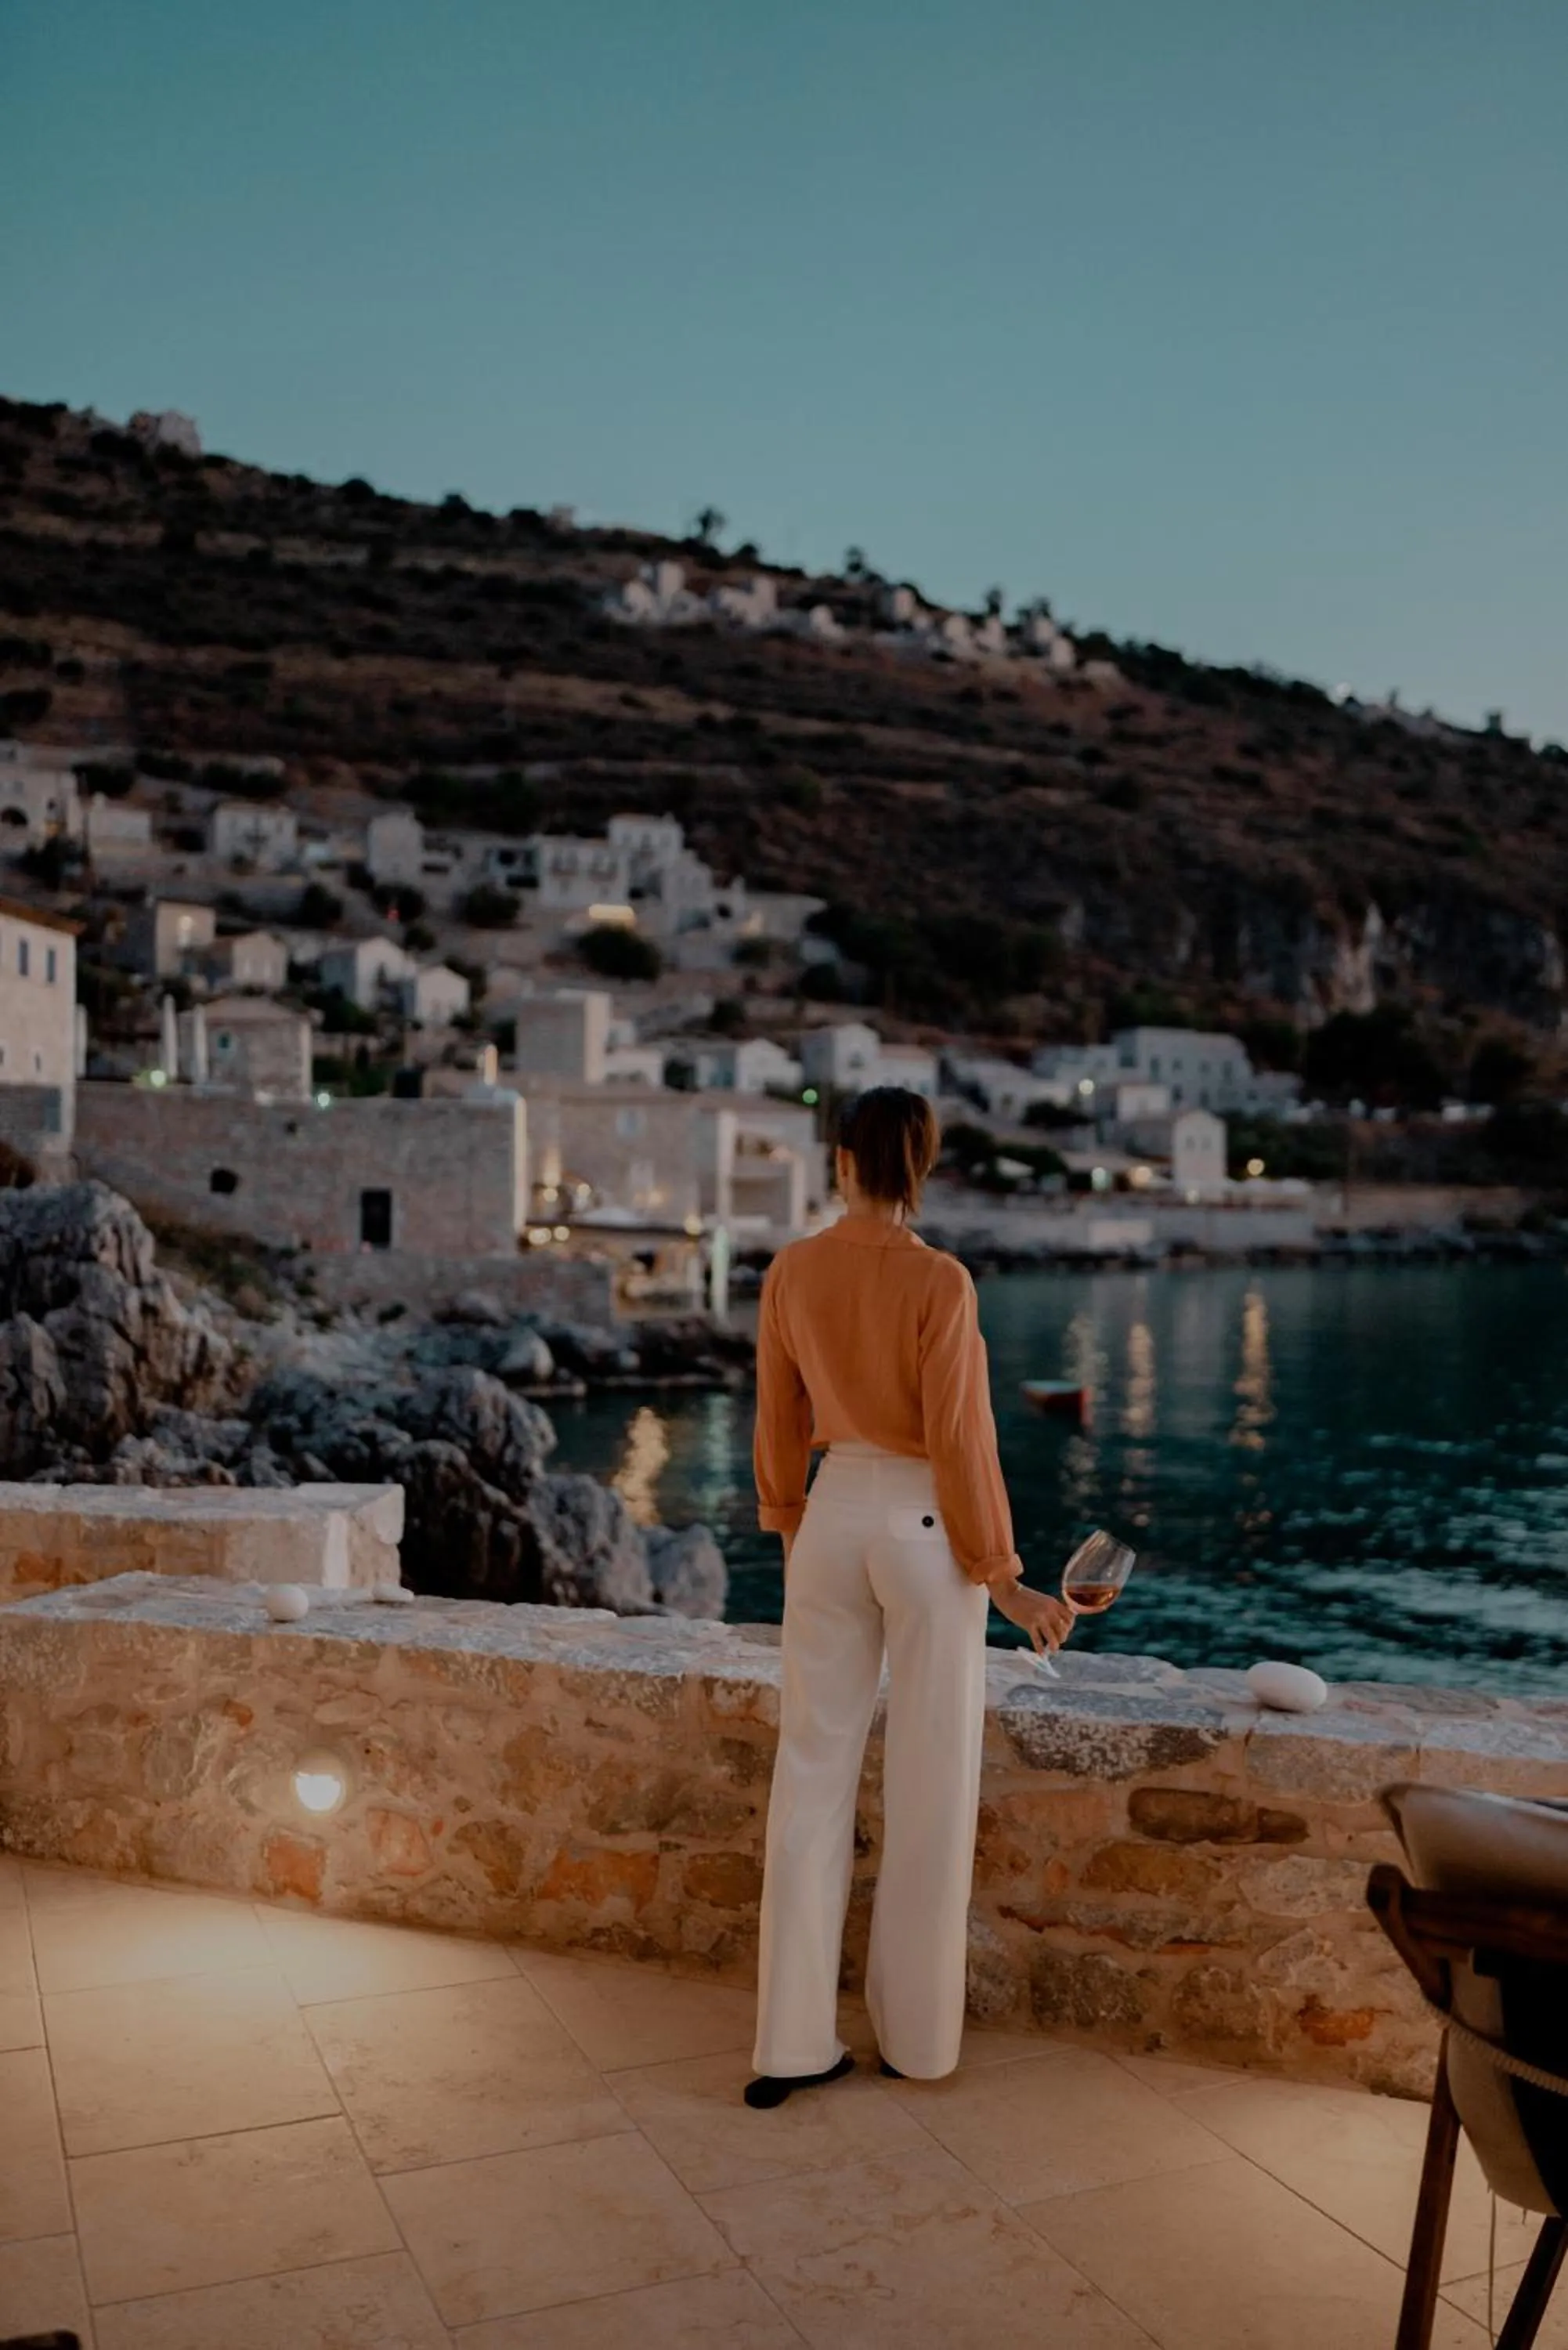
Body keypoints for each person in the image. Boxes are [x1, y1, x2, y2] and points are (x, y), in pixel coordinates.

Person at [746, 1086, 1071, 2108]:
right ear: (920, 1165)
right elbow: (960, 1438)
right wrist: (1005, 1576)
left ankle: (788, 2048)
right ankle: (918, 2044)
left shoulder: (791, 1270)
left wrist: (791, 1520)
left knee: (809, 1773)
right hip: (922, 1524)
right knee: (929, 1781)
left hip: (829, 1512)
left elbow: (775, 1412)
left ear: (840, 1159)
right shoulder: (938, 1281)